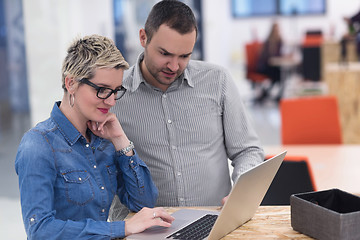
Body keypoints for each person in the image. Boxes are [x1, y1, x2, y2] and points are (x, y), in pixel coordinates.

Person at [15, 34, 174, 239]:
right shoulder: (37, 145)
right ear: (71, 83)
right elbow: (40, 230)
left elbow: (143, 203)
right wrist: (121, 228)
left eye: (116, 91)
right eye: (102, 90)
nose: (111, 102)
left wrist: (120, 140)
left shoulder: (103, 141)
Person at [113, 0, 264, 208]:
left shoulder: (217, 81)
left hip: (215, 221)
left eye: (184, 56)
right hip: (149, 227)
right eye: (164, 53)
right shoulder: (114, 94)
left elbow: (248, 151)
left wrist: (241, 194)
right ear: (143, 37)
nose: (174, 66)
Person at [256, 22, 284, 102]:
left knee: (279, 74)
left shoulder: (279, 41)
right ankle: (270, 94)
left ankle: (267, 93)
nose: (277, 31)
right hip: (265, 67)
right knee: (279, 75)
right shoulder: (269, 42)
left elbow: (279, 54)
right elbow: (270, 57)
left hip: (273, 67)